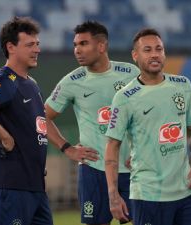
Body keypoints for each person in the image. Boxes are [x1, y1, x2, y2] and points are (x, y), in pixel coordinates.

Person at [105, 28, 191, 225]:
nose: (155, 54)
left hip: (187, 190)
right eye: (147, 50)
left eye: (159, 49)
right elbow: (112, 147)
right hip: (149, 195)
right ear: (135, 55)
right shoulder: (124, 98)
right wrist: (113, 195)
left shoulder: (182, 85)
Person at [45, 21, 140, 225]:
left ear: (101, 46)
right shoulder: (71, 81)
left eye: (84, 43)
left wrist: (142, 149)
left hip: (133, 169)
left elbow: (147, 114)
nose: (77, 50)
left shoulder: (131, 73)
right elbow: (42, 117)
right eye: (75, 44)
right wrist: (67, 148)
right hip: (94, 170)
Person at [0, 16, 53, 225]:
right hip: (11, 184)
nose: (37, 50)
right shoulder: (6, 79)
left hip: (34, 185)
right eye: (30, 45)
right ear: (11, 47)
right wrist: (4, 136)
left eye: (38, 44)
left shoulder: (30, 83)